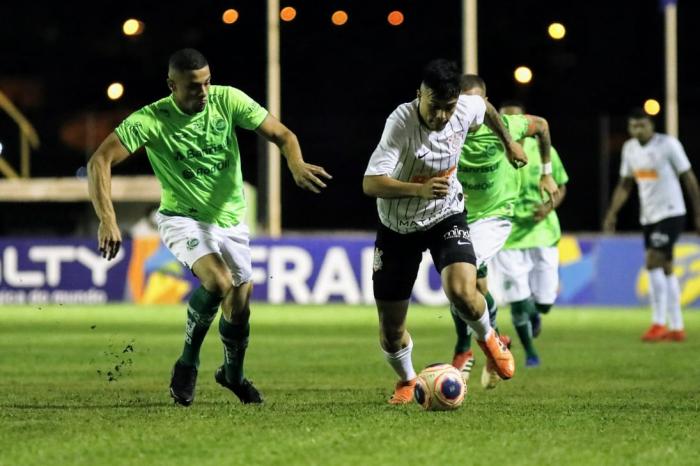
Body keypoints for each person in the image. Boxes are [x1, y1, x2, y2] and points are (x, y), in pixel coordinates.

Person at [87, 48, 331, 406]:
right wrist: (107, 219)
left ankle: (232, 375)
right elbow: (99, 161)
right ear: (172, 84)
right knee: (218, 281)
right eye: (192, 87)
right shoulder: (151, 119)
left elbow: (283, 135)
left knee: (240, 306)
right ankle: (188, 363)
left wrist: (295, 164)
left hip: (232, 220)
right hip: (181, 218)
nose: (202, 92)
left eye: (206, 83)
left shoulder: (227, 100)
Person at [362, 59, 526, 404]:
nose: (440, 117)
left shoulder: (466, 107)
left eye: (447, 109)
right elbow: (371, 183)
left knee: (462, 291)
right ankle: (408, 381)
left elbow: (485, 108)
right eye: (434, 107)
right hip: (398, 227)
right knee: (392, 332)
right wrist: (418, 190)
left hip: (445, 215)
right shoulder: (400, 123)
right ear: (419, 96)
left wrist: (508, 142)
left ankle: (489, 338)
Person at [448, 77, 559, 389]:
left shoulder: (509, 126)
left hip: (494, 217)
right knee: (475, 290)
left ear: (486, 103)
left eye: (476, 103)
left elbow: (543, 126)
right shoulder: (447, 129)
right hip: (457, 213)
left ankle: (463, 349)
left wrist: (547, 176)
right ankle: (497, 340)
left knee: (461, 276)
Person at [603, 108, 700, 342]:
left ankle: (658, 323)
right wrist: (612, 213)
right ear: (629, 128)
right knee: (666, 267)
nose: (638, 130)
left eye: (642, 125)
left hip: (671, 212)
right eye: (633, 126)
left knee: (653, 261)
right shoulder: (630, 149)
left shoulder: (668, 145)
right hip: (649, 216)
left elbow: (688, 177)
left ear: (651, 126)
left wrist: (698, 213)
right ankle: (676, 327)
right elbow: (625, 184)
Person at [489, 100, 569, 368]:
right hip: (508, 235)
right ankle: (530, 352)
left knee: (544, 303)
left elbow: (561, 187)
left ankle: (537, 312)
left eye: (516, 117)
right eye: (505, 117)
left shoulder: (544, 150)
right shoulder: (493, 151)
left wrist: (549, 207)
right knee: (517, 302)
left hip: (542, 233)